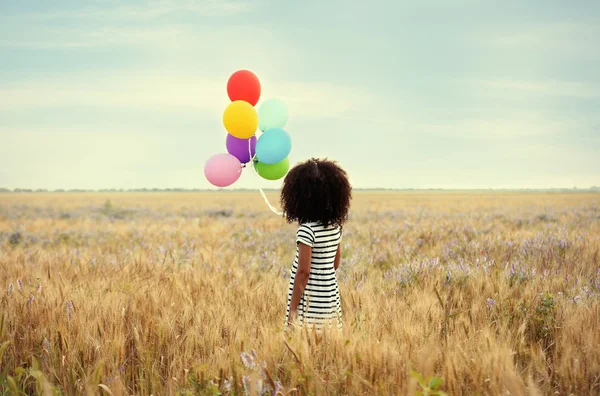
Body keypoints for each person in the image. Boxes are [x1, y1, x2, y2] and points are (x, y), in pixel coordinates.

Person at [281, 158, 352, 330]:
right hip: (329, 297)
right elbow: (335, 264)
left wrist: (292, 309)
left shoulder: (307, 231)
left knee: (304, 345)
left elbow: (304, 272)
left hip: (310, 302)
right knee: (329, 346)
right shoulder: (336, 227)